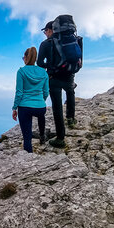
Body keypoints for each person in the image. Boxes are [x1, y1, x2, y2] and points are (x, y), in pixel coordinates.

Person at [36, 18, 83, 148]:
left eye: (45, 30)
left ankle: (61, 138)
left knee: (57, 107)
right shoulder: (74, 40)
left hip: (53, 78)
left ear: (51, 30)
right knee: (70, 92)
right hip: (69, 75)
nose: (45, 33)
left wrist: (50, 66)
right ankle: (71, 119)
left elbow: (39, 63)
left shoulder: (45, 44)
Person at [12, 47, 49, 153]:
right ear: (36, 58)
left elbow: (19, 93)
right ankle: (42, 136)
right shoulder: (43, 72)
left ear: (26, 58)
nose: (23, 59)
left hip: (25, 108)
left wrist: (14, 108)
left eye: (23, 57)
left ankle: (29, 155)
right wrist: (41, 101)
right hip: (40, 107)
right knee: (41, 115)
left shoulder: (21, 72)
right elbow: (46, 91)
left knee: (27, 138)